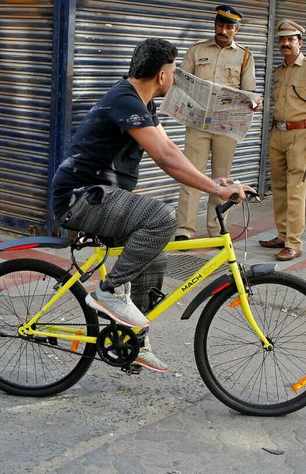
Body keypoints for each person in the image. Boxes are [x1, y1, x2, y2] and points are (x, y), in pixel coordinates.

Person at [52, 38, 250, 373]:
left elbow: (171, 148)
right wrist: (214, 189)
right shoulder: (124, 100)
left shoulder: (141, 104)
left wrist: (217, 182)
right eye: (173, 71)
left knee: (154, 257)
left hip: (102, 197)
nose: (174, 77)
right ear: (162, 74)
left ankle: (133, 343)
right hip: (80, 197)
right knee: (162, 218)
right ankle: (109, 292)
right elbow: (165, 157)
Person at [175, 5, 260, 241]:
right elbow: (181, 81)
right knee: (191, 175)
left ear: (237, 30)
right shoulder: (196, 50)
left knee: (221, 177)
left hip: (226, 128)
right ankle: (185, 231)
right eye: (220, 25)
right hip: (198, 124)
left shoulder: (245, 56)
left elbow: (249, 92)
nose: (224, 31)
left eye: (229, 27)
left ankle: (215, 230)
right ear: (214, 25)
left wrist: (254, 102)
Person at [259, 19, 306, 261]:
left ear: (300, 42)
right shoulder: (278, 71)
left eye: (291, 39)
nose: (285, 43)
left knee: (296, 190)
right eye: (282, 39)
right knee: (278, 187)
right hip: (278, 133)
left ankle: (294, 243)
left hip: (301, 134)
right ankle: (282, 234)